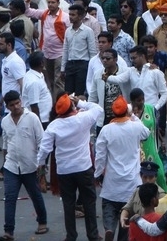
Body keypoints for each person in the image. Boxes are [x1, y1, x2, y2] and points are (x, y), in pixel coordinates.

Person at [37, 95, 104, 241]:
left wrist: (41, 168)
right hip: (84, 168)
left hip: (64, 170)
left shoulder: (53, 126)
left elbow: (44, 150)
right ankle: (93, 235)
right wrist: (80, 102)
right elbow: (98, 108)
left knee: (68, 204)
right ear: (72, 107)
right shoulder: (83, 119)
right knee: (89, 203)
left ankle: (71, 236)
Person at [95, 96, 150, 241]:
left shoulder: (106, 130)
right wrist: (133, 116)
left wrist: (98, 174)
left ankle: (109, 228)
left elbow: (100, 157)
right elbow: (147, 133)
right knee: (127, 219)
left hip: (112, 183)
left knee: (109, 209)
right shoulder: (135, 126)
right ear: (127, 111)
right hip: (131, 183)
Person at [0, 90, 49, 239]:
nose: (16, 107)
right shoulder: (5, 121)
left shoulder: (32, 118)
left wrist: (42, 166)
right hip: (12, 166)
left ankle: (42, 222)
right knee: (10, 198)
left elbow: (42, 142)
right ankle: (9, 231)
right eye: (12, 105)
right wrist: (4, 165)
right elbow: (5, 144)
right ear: (7, 107)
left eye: (17, 103)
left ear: (21, 101)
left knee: (35, 195)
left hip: (30, 166)